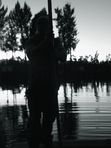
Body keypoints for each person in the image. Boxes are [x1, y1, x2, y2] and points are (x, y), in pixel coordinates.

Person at [25, 15, 66, 148]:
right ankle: (34, 142)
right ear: (37, 28)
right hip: (35, 87)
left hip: (51, 86)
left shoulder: (56, 42)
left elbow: (63, 56)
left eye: (45, 25)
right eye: (40, 25)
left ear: (49, 27)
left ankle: (46, 139)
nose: (43, 28)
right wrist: (44, 43)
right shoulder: (31, 41)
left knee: (49, 118)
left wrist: (52, 46)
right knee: (35, 120)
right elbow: (31, 53)